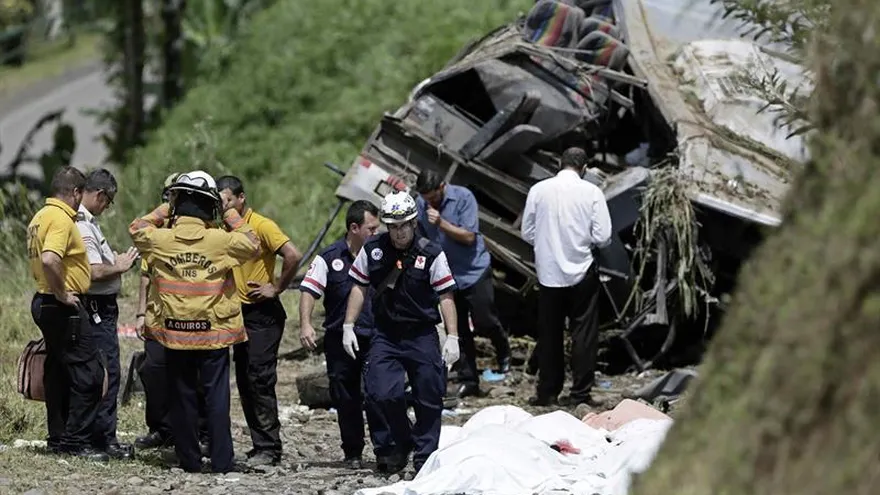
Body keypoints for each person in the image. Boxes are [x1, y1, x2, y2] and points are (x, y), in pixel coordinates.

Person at [129, 170, 260, 473]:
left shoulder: (161, 239)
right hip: (213, 333)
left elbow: (138, 227)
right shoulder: (221, 241)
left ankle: (189, 460)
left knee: (181, 397)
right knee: (216, 397)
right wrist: (229, 212)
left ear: (178, 204)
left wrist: (167, 207)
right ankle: (222, 461)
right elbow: (252, 242)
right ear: (210, 206)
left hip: (175, 333)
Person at [343, 191, 461, 474]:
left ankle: (425, 457)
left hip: (421, 333)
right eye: (392, 226)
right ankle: (404, 440)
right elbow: (359, 286)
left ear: (414, 222)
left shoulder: (431, 253)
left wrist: (453, 336)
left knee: (429, 395)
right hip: (386, 333)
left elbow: (446, 295)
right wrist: (349, 325)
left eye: (403, 225)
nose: (398, 233)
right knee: (380, 393)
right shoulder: (373, 250)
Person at [298, 200, 393, 469]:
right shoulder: (330, 257)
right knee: (345, 396)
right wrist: (305, 324)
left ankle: (385, 450)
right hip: (340, 338)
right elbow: (309, 289)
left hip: (376, 336)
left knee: (377, 392)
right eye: (371, 228)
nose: (377, 233)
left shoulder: (383, 254)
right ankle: (352, 451)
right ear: (354, 228)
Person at [216, 175, 302, 467]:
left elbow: (293, 255)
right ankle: (260, 443)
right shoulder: (223, 229)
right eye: (219, 200)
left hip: (262, 314)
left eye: (227, 199)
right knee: (244, 380)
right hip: (236, 314)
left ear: (241, 198)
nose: (223, 205)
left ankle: (269, 447)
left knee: (259, 378)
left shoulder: (261, 226)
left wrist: (277, 287)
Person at [26, 166, 108, 462]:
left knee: (58, 370)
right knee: (89, 372)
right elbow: (50, 258)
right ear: (75, 193)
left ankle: (58, 438)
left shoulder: (39, 217)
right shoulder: (61, 219)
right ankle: (77, 441)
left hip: (43, 301)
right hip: (61, 304)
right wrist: (62, 293)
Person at [520, 147, 612, 407]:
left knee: (549, 334)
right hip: (582, 271)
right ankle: (580, 394)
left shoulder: (539, 190)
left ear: (559, 165)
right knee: (583, 334)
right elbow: (603, 237)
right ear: (583, 169)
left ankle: (547, 392)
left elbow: (527, 232)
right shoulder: (592, 192)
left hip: (548, 273)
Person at [415, 170, 511, 398]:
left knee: (484, 318)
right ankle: (470, 379)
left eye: (433, 197)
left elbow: (469, 237)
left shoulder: (463, 197)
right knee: (456, 329)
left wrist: (441, 223)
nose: (430, 202)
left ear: (442, 186)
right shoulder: (421, 203)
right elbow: (420, 235)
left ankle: (503, 351)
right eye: (426, 198)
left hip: (473, 270)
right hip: (446, 275)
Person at [134, 173, 209, 452]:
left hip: (194, 318)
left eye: (176, 196)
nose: (171, 201)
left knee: (197, 378)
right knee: (154, 372)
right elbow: (146, 274)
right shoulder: (157, 234)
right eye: (169, 196)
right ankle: (161, 429)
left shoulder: (205, 228)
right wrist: (141, 313)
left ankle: (201, 432)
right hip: (159, 317)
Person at [74, 168, 138, 460]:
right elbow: (93, 271)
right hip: (97, 309)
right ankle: (104, 438)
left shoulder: (88, 223)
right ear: (100, 195)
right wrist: (120, 266)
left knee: (99, 372)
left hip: (99, 308)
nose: (107, 207)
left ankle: (99, 435)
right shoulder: (83, 226)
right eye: (108, 201)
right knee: (107, 373)